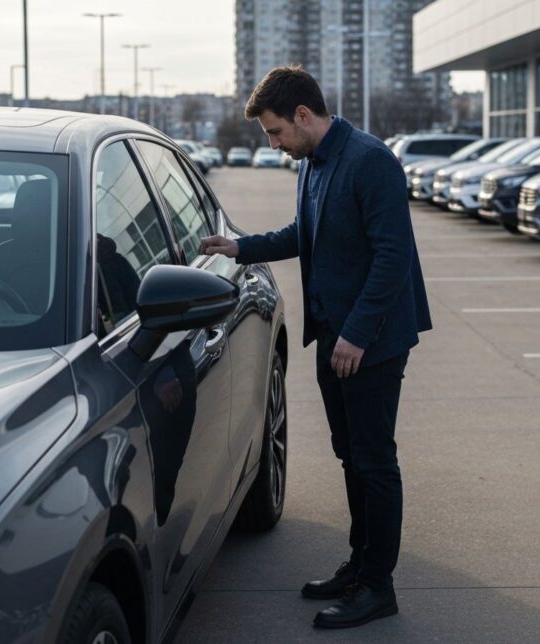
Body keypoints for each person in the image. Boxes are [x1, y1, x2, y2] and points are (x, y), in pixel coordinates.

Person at [198, 65, 431, 629]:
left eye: (276, 133)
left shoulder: (370, 161)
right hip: (335, 337)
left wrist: (356, 333)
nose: (275, 146)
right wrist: (240, 247)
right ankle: (360, 564)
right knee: (351, 455)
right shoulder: (314, 164)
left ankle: (379, 587)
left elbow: (392, 258)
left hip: (368, 340)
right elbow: (305, 233)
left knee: (375, 462)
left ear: (304, 116)